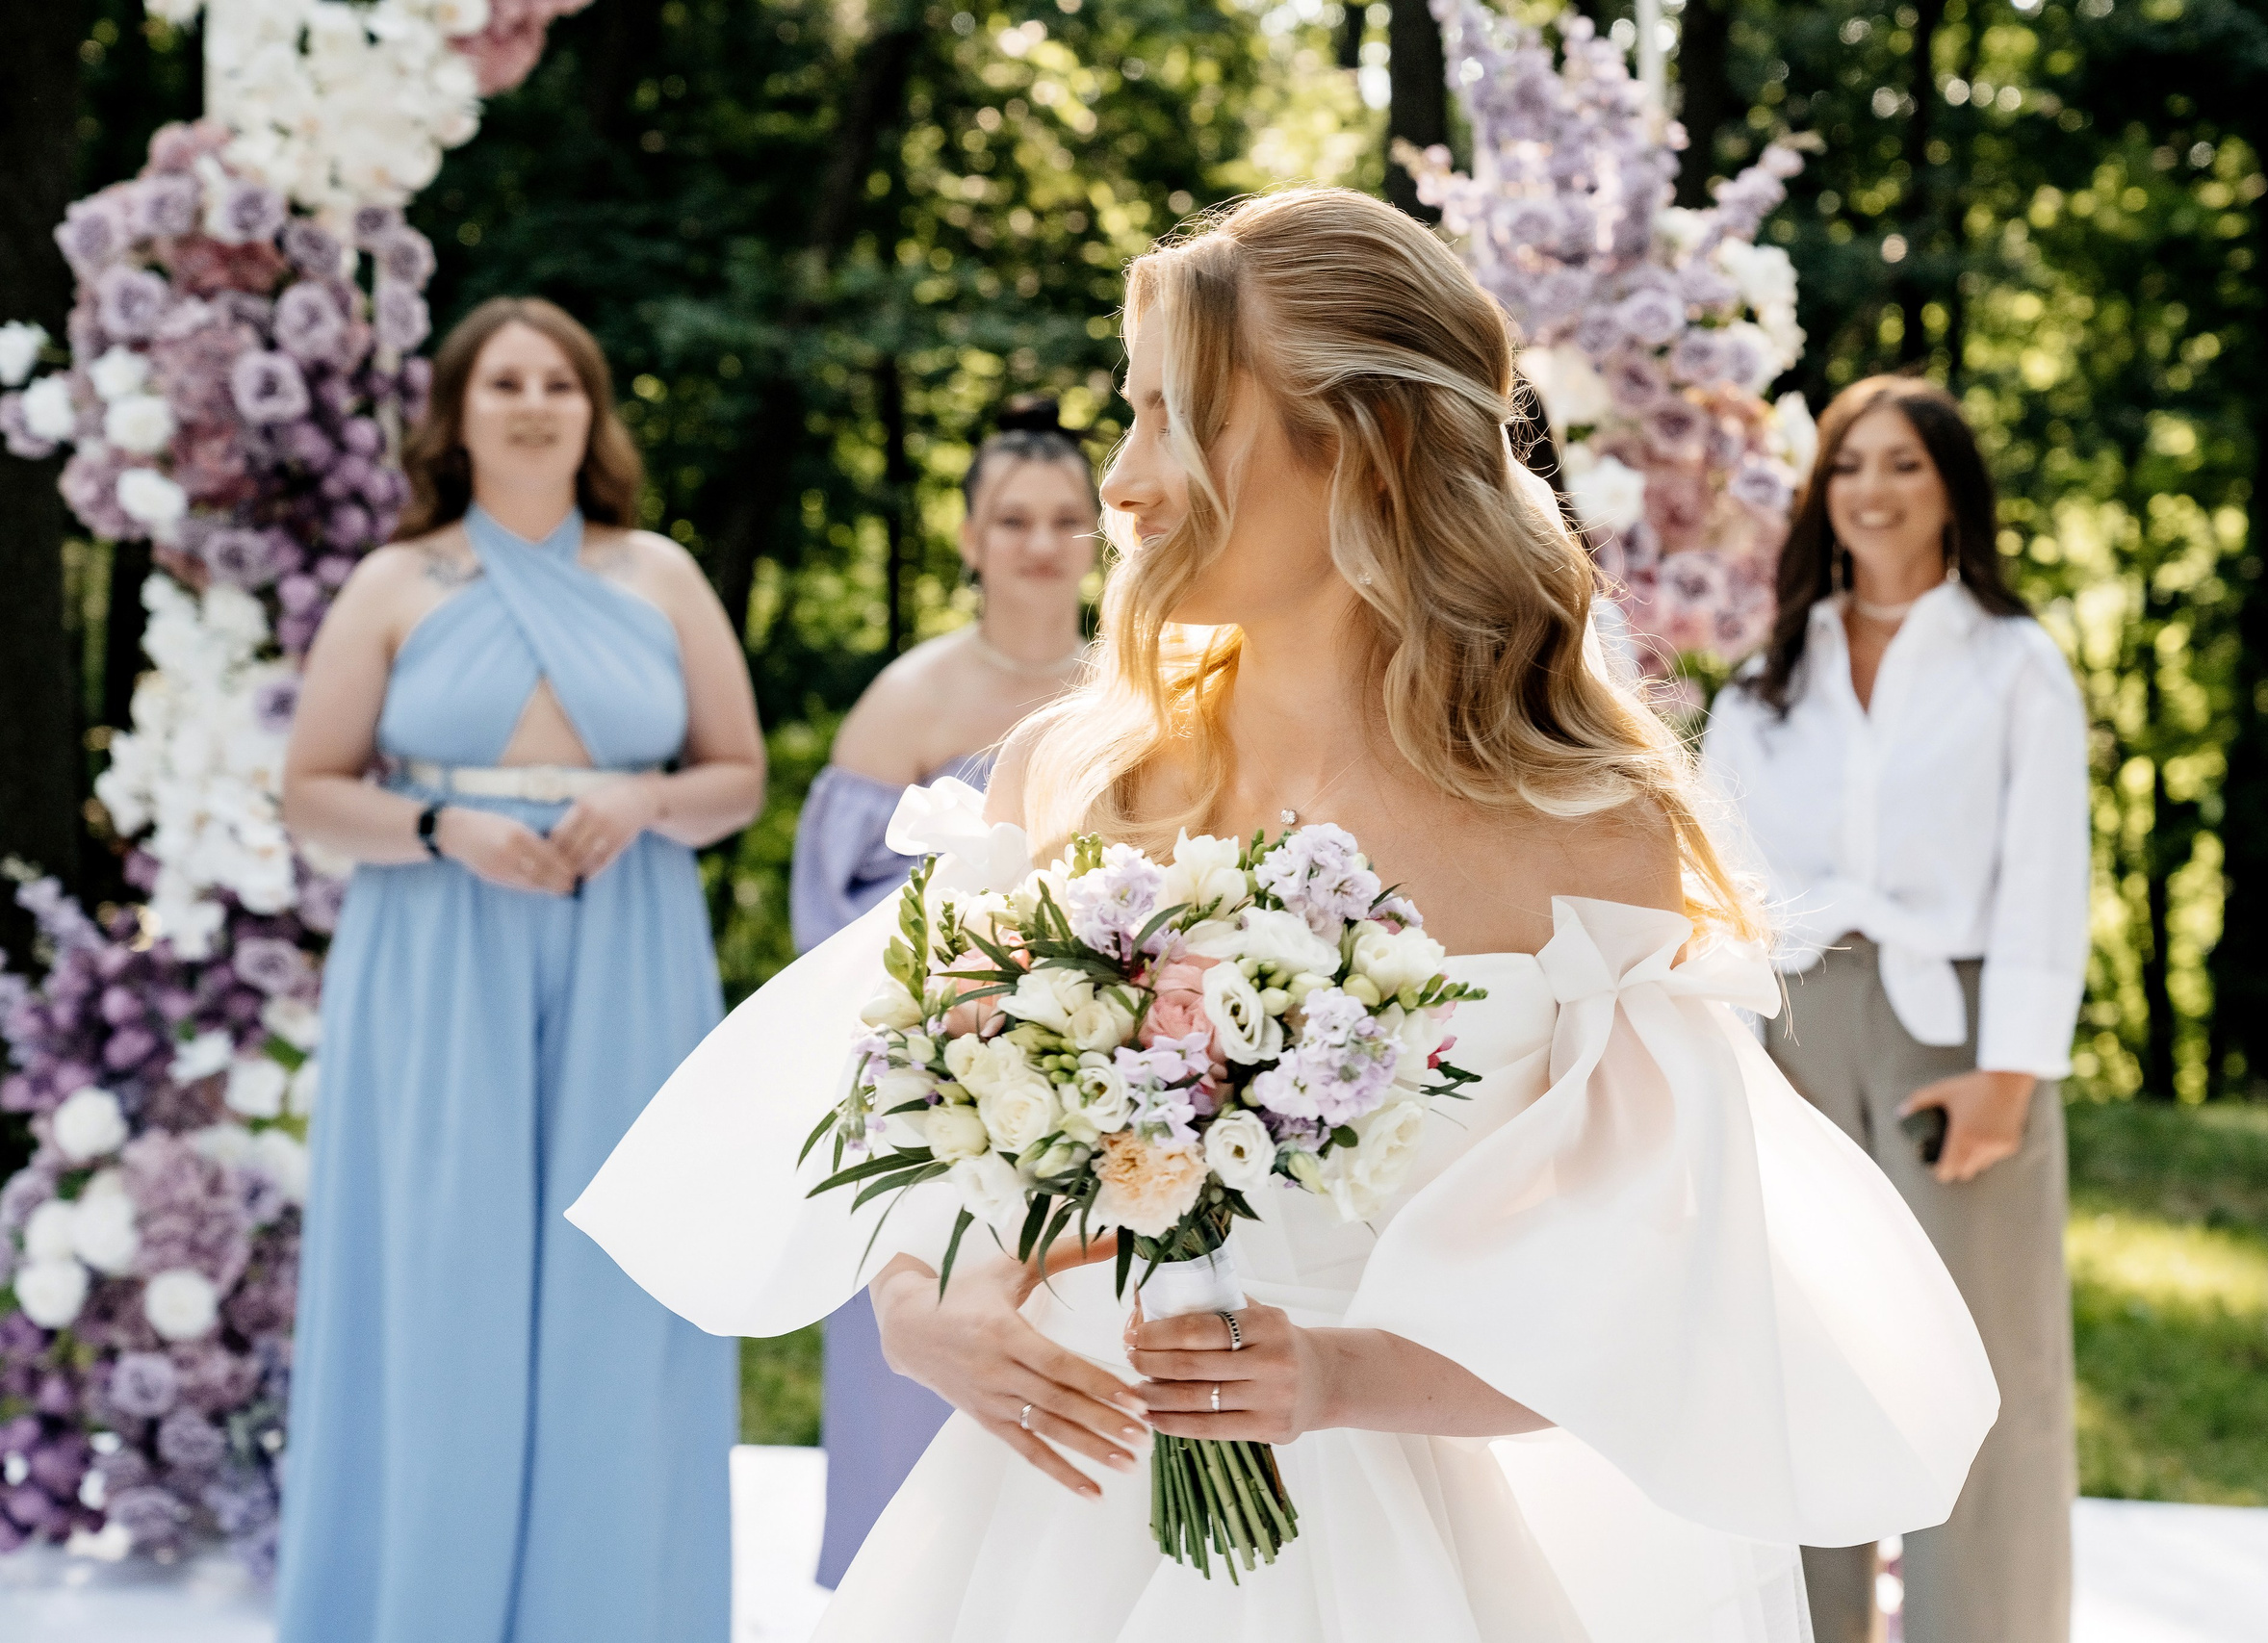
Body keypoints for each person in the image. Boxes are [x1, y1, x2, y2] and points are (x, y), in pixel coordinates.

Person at [570, 190, 1999, 1641]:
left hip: (1408, 1561)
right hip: (1058, 1531)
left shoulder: (1584, 834)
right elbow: (920, 1131)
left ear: (1355, 441)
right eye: (1124, 414)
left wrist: (1337, 1375)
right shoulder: (1076, 778)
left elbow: (1652, 1299)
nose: (1121, 481)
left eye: (1172, 415)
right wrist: (920, 1293)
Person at [275, 296, 763, 1643]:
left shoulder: (658, 572)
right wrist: (443, 825)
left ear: (595, 412)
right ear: (458, 410)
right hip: (437, 948)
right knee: (445, 1275)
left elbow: (738, 775)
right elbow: (311, 792)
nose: (536, 402)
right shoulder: (395, 582)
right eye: (506, 381)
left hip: (627, 938)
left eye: (562, 379)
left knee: (619, 1271)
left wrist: (647, 801)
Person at [1698, 374, 2088, 1643]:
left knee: (1979, 1367)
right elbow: (1716, 874)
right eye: (1852, 463)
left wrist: (2013, 1070)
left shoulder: (2013, 663)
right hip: (1795, 1035)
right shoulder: (1767, 682)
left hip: (1953, 1032)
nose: (1875, 488)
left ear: (1952, 491)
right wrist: (1732, 1067)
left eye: (1907, 464)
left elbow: (2046, 869)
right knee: (1810, 1358)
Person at [788, 396, 1098, 1586]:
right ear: (969, 536)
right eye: (1012, 518)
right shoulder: (908, 701)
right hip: (939, 1077)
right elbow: (829, 913)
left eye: (1064, 518)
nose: (1036, 542)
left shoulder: (1131, 685)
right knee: (910, 1357)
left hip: (1091, 1071)